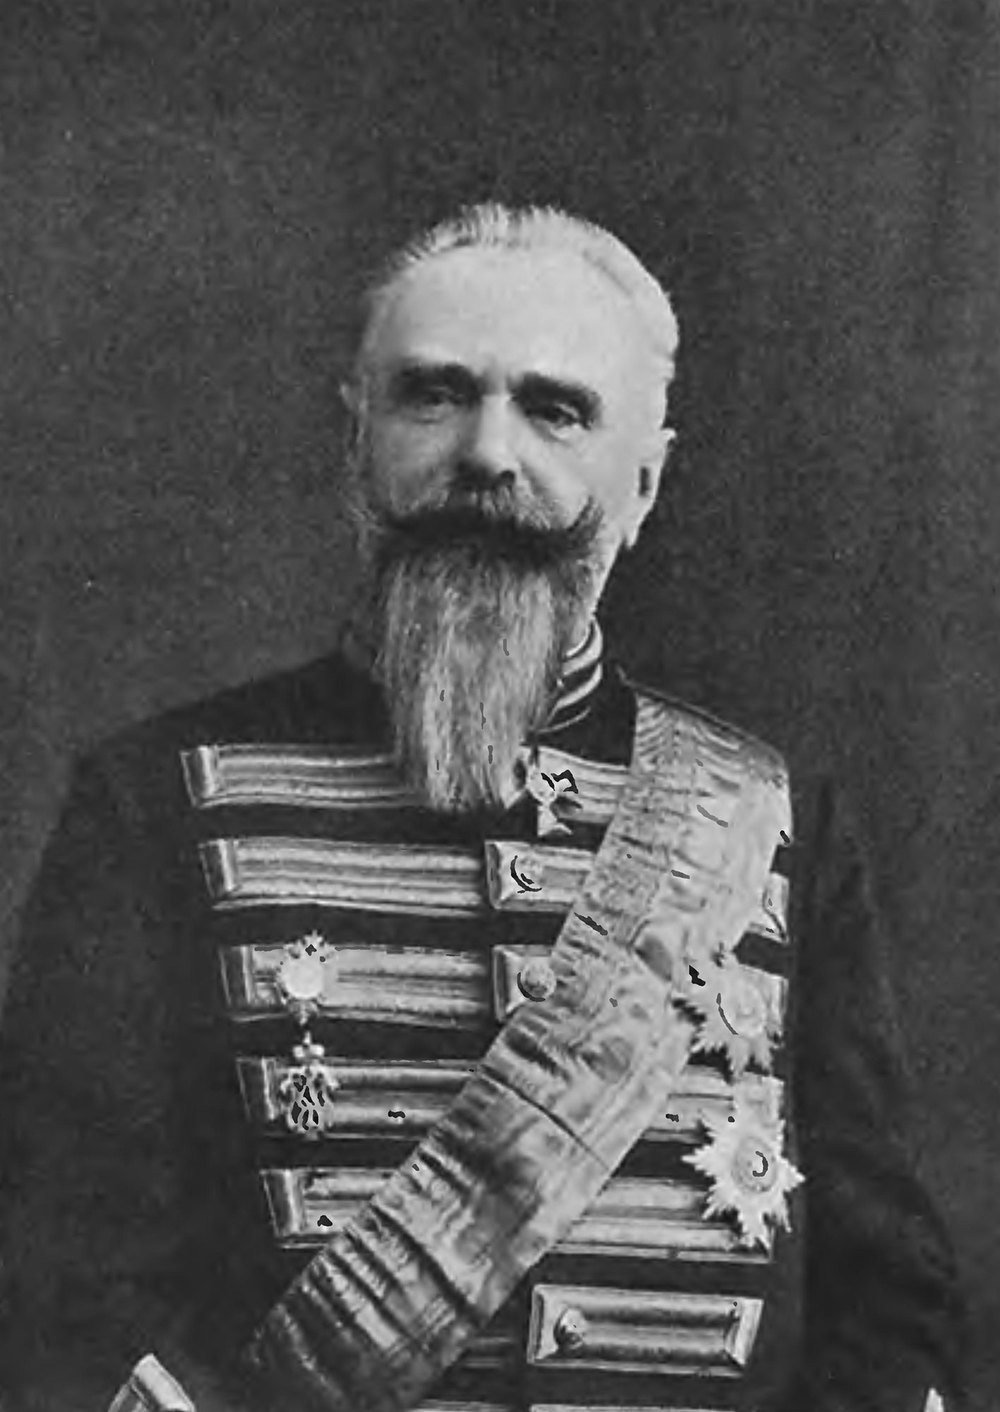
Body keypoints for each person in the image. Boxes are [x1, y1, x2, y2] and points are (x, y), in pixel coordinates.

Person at [0, 203, 964, 1412]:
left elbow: (887, 1311)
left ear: (646, 480)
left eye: (555, 409)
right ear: (356, 438)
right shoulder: (155, 802)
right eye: (434, 394)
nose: (487, 454)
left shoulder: (775, 820)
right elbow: (69, 1293)